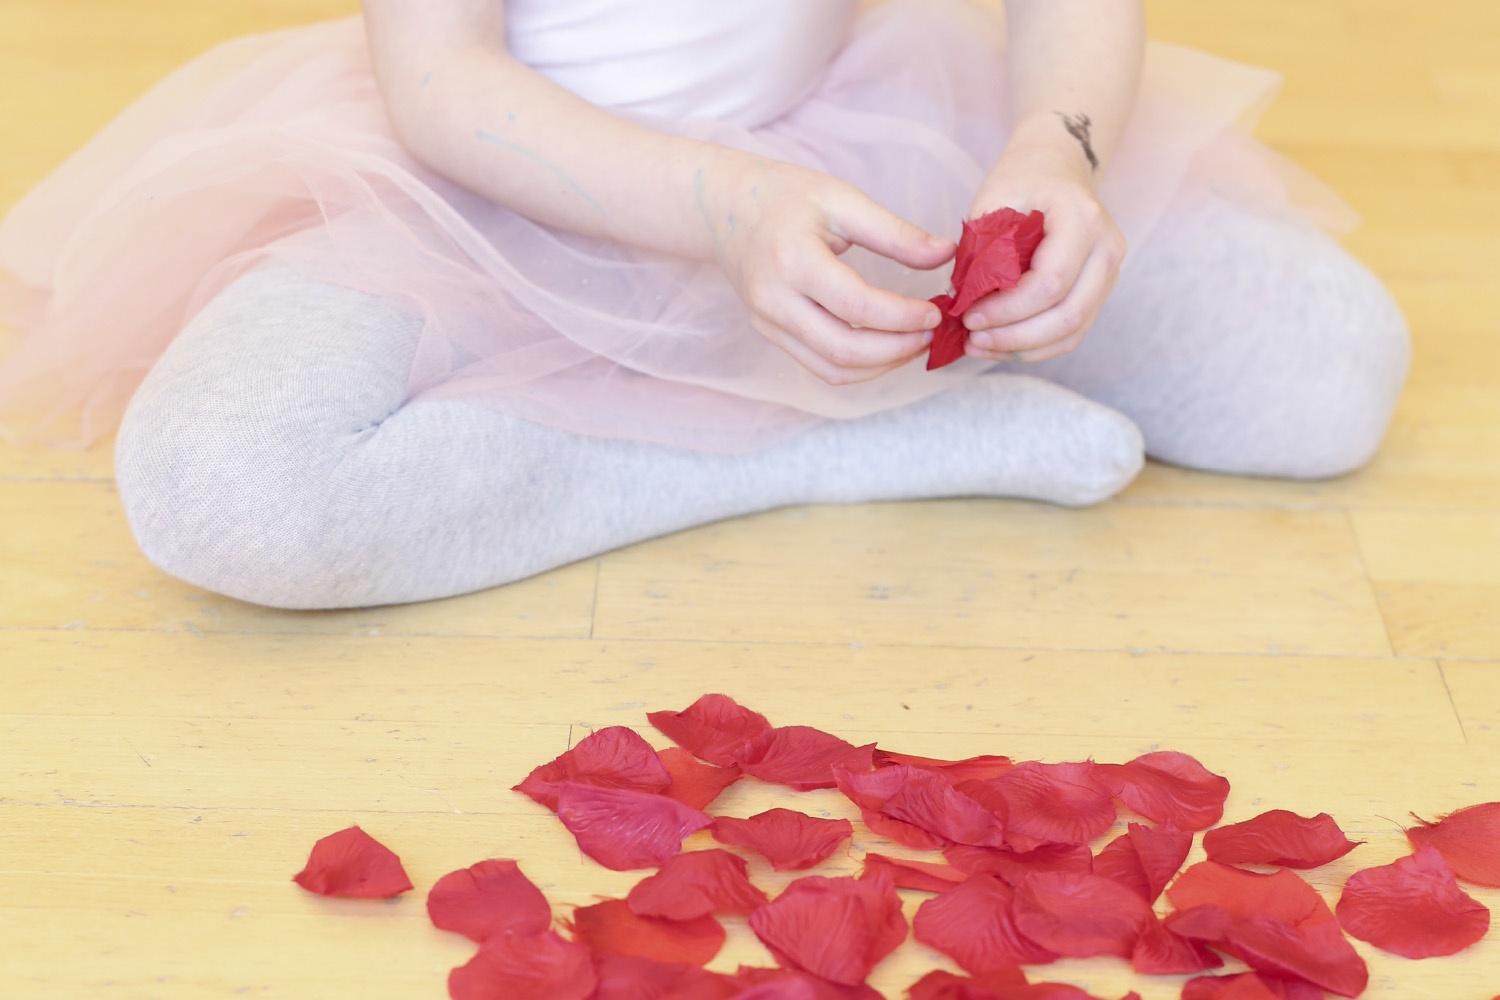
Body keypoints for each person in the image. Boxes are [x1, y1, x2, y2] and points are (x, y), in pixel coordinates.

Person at [0, 0, 1409, 609]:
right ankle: (829, 448)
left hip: (860, 149)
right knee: (225, 488)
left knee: (1332, 376)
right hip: (504, 187)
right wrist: (721, 213)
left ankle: (837, 368)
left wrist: (1058, 146)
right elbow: (439, 83)